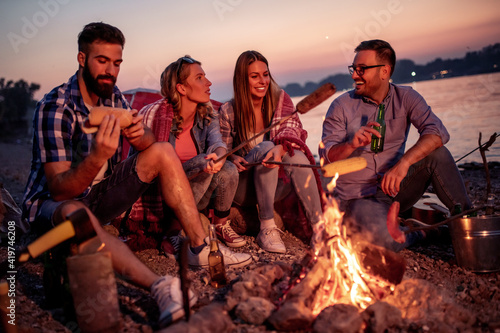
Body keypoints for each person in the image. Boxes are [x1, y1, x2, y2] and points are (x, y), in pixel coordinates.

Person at [21, 22, 249, 327]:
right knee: (76, 213)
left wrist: (141, 135)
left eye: (116, 63)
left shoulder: (113, 97)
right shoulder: (55, 108)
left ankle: (199, 247)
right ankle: (160, 287)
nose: (110, 71)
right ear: (81, 59)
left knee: (162, 152)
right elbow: (61, 190)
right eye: (102, 61)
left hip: (101, 195)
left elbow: (151, 148)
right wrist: (97, 156)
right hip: (55, 205)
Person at [319, 39, 472, 252]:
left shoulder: (406, 97)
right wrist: (350, 144)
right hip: (357, 198)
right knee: (386, 241)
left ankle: (469, 223)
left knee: (438, 154)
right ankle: (423, 232)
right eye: (353, 69)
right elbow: (327, 159)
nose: (354, 75)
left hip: (393, 188)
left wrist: (404, 164)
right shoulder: (341, 106)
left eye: (362, 69)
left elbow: (437, 133)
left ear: (384, 72)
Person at [128, 56, 248, 249]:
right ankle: (171, 232)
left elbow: (218, 143)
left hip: (198, 195)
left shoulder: (208, 115)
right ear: (181, 88)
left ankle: (220, 225)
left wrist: (217, 155)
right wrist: (205, 161)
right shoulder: (156, 116)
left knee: (226, 167)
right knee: (202, 161)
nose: (208, 83)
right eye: (199, 78)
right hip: (162, 197)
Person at [219, 50, 324, 253]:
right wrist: (233, 157)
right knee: (267, 147)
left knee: (297, 156)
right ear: (242, 79)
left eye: (265, 74)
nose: (262, 81)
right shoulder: (228, 111)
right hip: (244, 187)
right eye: (254, 76)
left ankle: (319, 230)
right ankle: (267, 228)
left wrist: (282, 146)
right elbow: (221, 150)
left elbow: (293, 130)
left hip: (276, 186)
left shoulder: (280, 100)